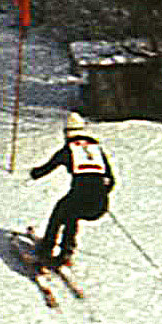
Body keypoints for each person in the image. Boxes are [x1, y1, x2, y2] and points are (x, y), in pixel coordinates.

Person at [30, 112, 113, 268]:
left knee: (60, 213)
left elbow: (47, 167)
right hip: (100, 205)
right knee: (70, 213)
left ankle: (46, 251)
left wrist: (34, 173)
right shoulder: (96, 149)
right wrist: (99, 191)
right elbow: (111, 180)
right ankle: (66, 250)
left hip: (80, 199)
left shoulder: (69, 149)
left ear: (66, 133)